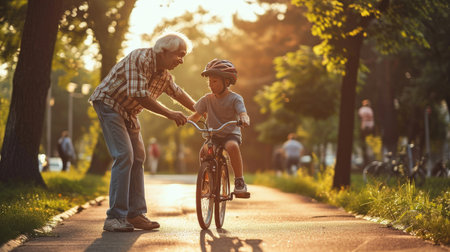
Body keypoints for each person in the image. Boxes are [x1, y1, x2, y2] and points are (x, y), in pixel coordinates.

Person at [88, 31, 196, 232]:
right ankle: (115, 218)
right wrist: (170, 114)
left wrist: (201, 110)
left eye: (184, 56)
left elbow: (177, 92)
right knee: (124, 155)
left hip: (129, 111)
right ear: (163, 51)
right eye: (179, 54)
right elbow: (139, 95)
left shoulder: (163, 74)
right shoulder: (140, 58)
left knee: (138, 157)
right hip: (109, 104)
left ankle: (135, 214)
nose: (181, 60)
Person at [187, 59, 251, 197]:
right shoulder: (207, 99)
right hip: (213, 135)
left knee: (232, 146)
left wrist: (244, 119)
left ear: (227, 82)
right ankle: (206, 183)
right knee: (204, 152)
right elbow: (196, 115)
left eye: (214, 81)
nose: (211, 85)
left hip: (230, 133)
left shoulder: (235, 98)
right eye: (209, 82)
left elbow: (242, 112)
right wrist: (185, 120)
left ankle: (239, 181)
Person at [358, 99, 375, 166]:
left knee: (364, 144)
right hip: (370, 126)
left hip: (364, 126)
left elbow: (360, 117)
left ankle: (367, 159)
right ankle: (368, 159)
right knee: (369, 144)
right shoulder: (370, 110)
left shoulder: (361, 109)